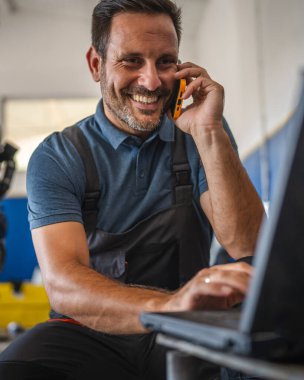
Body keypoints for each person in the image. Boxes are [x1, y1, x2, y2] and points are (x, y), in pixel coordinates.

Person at [0, 0, 265, 379]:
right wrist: (171, 304)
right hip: (87, 332)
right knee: (15, 369)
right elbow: (64, 284)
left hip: (186, 328)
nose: (152, 81)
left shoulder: (203, 137)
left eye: (165, 61)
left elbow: (249, 247)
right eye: (132, 61)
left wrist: (209, 133)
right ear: (96, 64)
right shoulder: (59, 156)